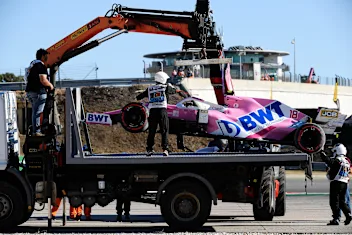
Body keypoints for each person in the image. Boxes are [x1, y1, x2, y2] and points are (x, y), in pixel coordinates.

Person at [136, 71, 185, 156]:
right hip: (162, 110)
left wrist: (138, 97)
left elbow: (140, 96)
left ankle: (149, 149)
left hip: (152, 111)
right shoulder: (165, 87)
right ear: (163, 79)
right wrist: (173, 88)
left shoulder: (150, 88)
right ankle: (165, 149)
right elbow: (174, 91)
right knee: (164, 130)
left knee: (152, 130)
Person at [25, 48, 54, 136]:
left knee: (34, 111)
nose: (47, 58)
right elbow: (43, 80)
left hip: (30, 91)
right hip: (38, 92)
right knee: (38, 112)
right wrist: (51, 86)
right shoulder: (41, 66)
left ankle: (35, 130)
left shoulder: (32, 66)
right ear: (42, 56)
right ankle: (36, 131)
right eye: (46, 56)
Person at [321, 143, 352, 225]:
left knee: (334, 202)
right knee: (342, 201)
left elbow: (330, 162)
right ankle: (348, 214)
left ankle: (336, 218)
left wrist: (323, 155)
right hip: (344, 183)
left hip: (336, 182)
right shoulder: (347, 161)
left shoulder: (338, 160)